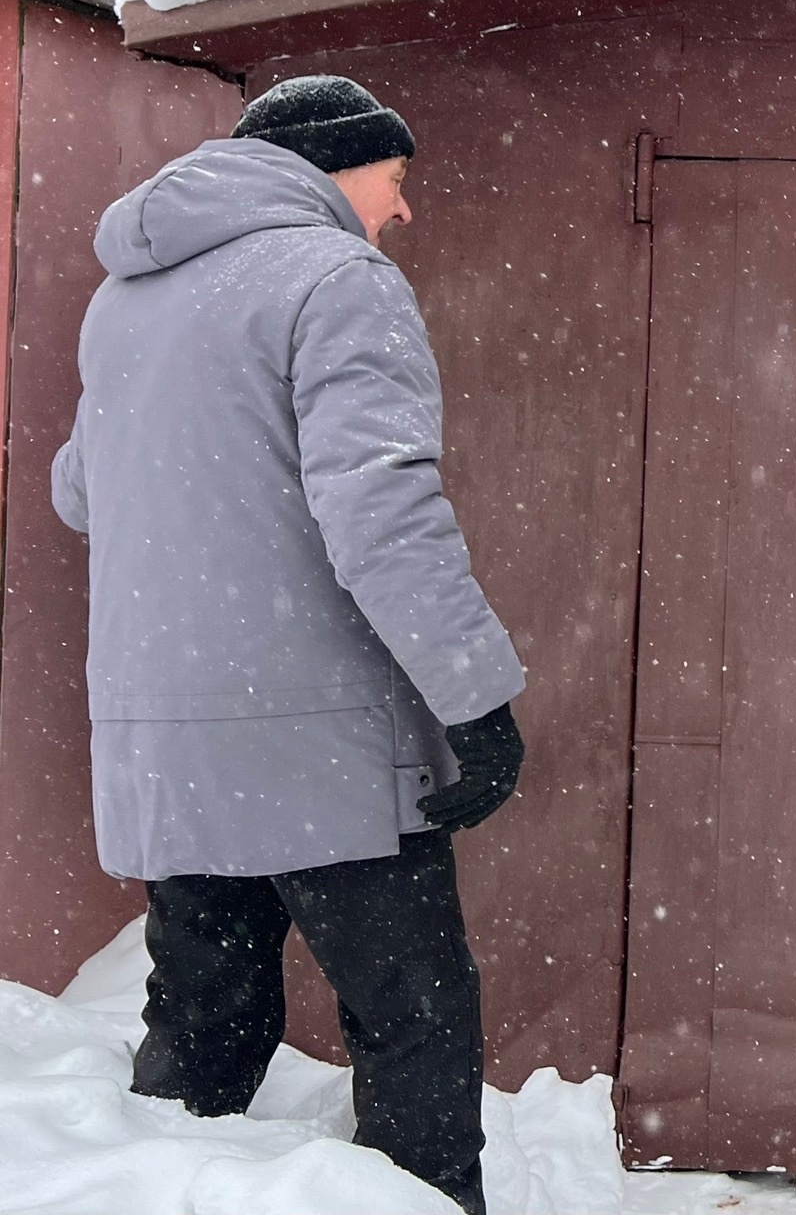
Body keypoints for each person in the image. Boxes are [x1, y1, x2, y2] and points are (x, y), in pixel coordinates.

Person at [51, 75, 527, 1215]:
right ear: (332, 165)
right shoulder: (337, 278)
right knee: (415, 1026)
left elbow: (82, 493)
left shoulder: (125, 298)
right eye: (395, 180)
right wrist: (475, 700)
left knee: (203, 1034)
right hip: (319, 741)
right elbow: (382, 513)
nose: (402, 211)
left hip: (169, 739)